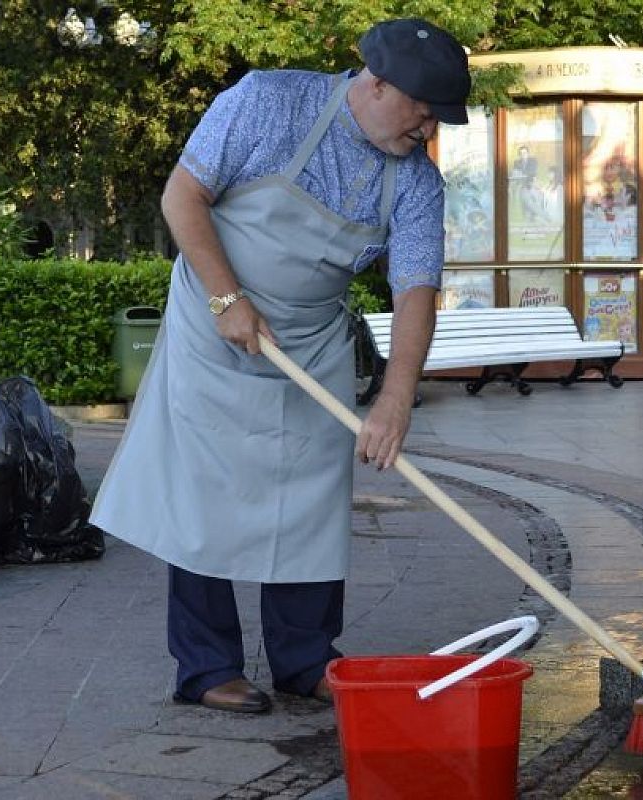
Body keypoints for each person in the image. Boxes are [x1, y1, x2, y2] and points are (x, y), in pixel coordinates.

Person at [90, 19, 471, 714]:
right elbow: (183, 196)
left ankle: (304, 659)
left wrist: (394, 398)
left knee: (309, 498)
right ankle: (206, 668)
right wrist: (227, 298)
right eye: (422, 112)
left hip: (311, 339)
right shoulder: (267, 101)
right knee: (203, 494)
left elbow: (416, 288)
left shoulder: (417, 181)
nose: (427, 130)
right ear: (378, 83)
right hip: (216, 318)